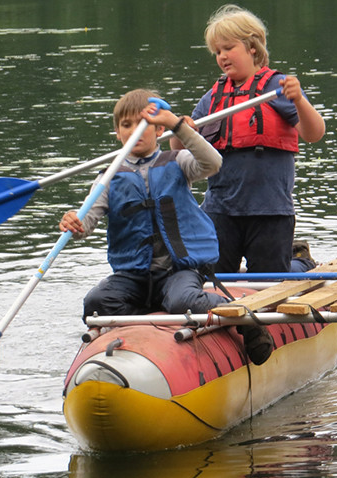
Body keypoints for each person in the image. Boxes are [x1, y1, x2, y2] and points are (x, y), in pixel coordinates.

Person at [59, 89, 274, 365]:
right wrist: (73, 222)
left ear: (158, 129)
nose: (134, 131)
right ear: (117, 133)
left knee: (182, 300)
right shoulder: (109, 178)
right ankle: (145, 335)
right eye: (127, 125)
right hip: (134, 275)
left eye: (142, 125)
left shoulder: (178, 162)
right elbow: (84, 225)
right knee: (96, 302)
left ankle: (245, 321)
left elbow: (213, 162)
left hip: (178, 270)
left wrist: (178, 126)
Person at [173, 4, 325, 274]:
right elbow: (179, 151)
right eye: (217, 52)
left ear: (252, 47)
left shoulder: (275, 88)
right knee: (212, 280)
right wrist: (179, 129)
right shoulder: (213, 97)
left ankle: (300, 262)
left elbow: (314, 133)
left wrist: (299, 99)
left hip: (270, 211)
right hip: (220, 210)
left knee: (269, 285)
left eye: (228, 48)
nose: (222, 57)